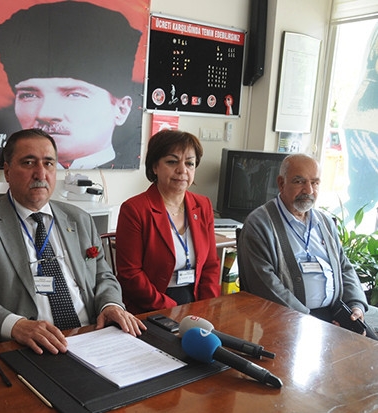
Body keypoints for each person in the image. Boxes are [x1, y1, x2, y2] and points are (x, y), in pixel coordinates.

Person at [0, 128, 144, 355]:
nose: (40, 174)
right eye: (28, 163)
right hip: (27, 346)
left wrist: (110, 305)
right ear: (7, 172)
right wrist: (16, 326)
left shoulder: (80, 219)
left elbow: (103, 276)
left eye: (48, 163)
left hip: (91, 336)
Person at [0, 1, 142, 169]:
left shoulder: (128, 179)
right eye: (29, 95)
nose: (45, 114)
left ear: (121, 110)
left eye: (74, 94)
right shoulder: (15, 176)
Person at [237, 153, 373, 333]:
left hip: (336, 315)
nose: (308, 190)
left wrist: (356, 306)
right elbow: (264, 284)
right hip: (290, 322)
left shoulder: (325, 222)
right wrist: (311, 322)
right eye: (299, 181)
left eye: (315, 183)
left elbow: (344, 267)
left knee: (370, 347)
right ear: (281, 183)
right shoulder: (259, 223)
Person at [115, 130, 221, 314]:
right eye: (172, 162)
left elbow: (210, 265)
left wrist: (205, 306)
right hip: (150, 305)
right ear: (154, 167)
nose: (182, 170)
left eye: (189, 163)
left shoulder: (203, 205)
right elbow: (130, 274)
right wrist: (171, 309)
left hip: (196, 299)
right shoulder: (134, 209)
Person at [341, 23, 378, 223]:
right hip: (368, 122)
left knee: (363, 197)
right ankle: (328, 230)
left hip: (363, 120)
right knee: (363, 198)